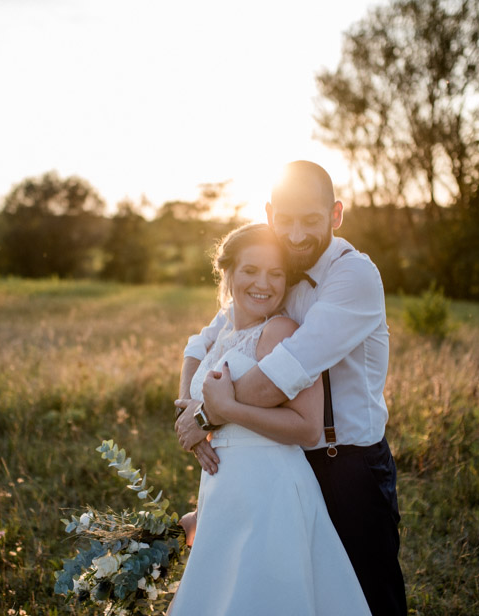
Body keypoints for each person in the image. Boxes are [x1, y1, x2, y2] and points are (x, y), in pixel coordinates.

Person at [175, 161, 406, 616]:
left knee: (365, 596)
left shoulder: (352, 277)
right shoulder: (276, 276)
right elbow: (203, 343)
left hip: (349, 468)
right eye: (286, 219)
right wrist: (187, 409)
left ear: (335, 215)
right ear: (270, 214)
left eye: (311, 220)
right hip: (284, 464)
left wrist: (208, 415)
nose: (297, 233)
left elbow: (282, 375)